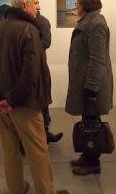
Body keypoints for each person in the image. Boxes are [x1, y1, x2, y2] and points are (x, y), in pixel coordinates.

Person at [0, 0, 68, 194]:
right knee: (38, 151)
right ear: (24, 6)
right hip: (24, 104)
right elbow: (31, 72)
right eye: (35, 3)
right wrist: (12, 99)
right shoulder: (30, 31)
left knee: (10, 151)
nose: (38, 7)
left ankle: (17, 189)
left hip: (2, 105)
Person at [65, 0, 113, 176]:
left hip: (93, 85)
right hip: (86, 83)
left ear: (85, 4)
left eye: (77, 3)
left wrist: (91, 89)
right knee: (88, 120)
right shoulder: (89, 22)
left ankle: (93, 162)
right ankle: (87, 155)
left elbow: (97, 59)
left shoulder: (96, 24)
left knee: (92, 123)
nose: (75, 6)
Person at [34, 12, 64, 144]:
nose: (38, 6)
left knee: (42, 100)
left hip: (37, 66)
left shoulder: (42, 21)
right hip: (30, 66)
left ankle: (44, 132)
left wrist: (25, 47)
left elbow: (46, 42)